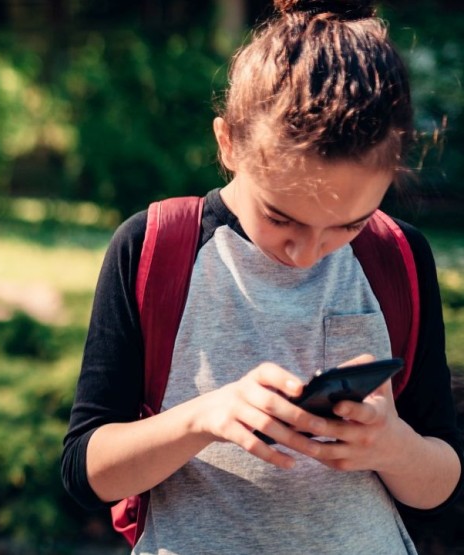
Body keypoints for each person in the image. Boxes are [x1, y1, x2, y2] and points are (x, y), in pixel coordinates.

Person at [61, 1, 463, 553]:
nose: (307, 253)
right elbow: (87, 473)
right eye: (282, 217)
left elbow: (443, 484)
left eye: (347, 225)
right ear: (228, 143)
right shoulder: (155, 246)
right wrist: (203, 418)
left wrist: (392, 447)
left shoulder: (398, 256)